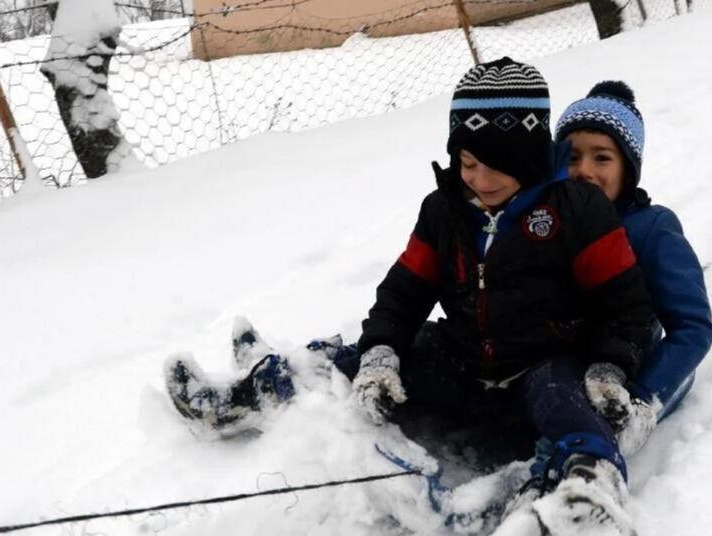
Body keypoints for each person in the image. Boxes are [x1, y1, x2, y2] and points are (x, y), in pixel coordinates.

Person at [166, 58, 655, 534]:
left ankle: (588, 486)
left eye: (497, 167)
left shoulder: (577, 209)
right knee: (366, 354)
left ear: (528, 160)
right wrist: (381, 353)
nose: (480, 181)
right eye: (467, 163)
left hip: (539, 376)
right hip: (463, 368)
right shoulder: (443, 211)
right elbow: (404, 291)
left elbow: (625, 306)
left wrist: (608, 367)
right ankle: (250, 395)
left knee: (563, 394)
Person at [554, 81, 712, 456]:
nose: (584, 170)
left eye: (602, 158)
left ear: (628, 168)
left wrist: (643, 395)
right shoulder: (547, 223)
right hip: (566, 368)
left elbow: (692, 327)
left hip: (634, 372)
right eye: (572, 157)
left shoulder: (650, 228)